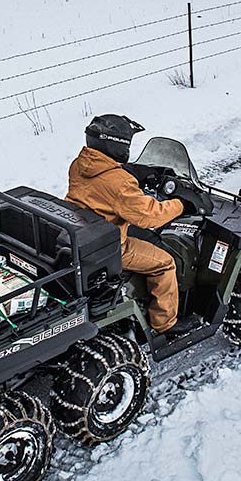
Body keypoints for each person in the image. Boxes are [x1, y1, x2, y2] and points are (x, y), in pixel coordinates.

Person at [65, 114, 203, 337]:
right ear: (116, 144)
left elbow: (104, 186)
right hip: (113, 247)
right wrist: (181, 205)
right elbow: (150, 216)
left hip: (85, 231)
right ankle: (165, 323)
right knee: (165, 263)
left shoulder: (80, 164)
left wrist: (135, 173)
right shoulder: (119, 183)